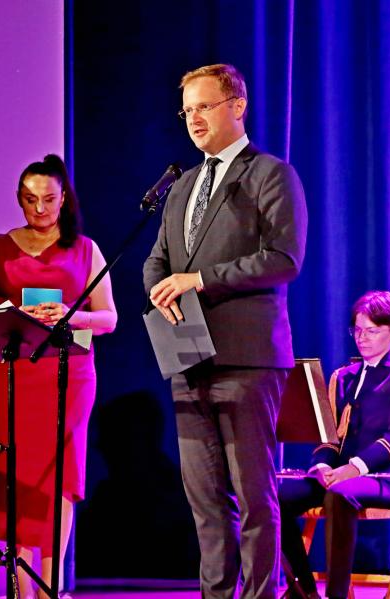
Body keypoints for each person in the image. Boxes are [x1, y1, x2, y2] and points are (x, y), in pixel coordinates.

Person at [142, 63, 308, 598]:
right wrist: (158, 287)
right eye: (187, 110)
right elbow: (158, 259)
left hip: (247, 358)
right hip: (187, 356)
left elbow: (284, 258)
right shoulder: (182, 185)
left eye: (204, 107)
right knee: (205, 499)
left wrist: (200, 280)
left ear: (237, 106)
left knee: (253, 495)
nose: (194, 119)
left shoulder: (270, 174)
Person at [0, 154, 117, 599]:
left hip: (67, 376)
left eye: (49, 199)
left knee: (60, 474)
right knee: (14, 474)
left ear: (63, 198)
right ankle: (21, 588)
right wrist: (12, 313)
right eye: (31, 200)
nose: (40, 209)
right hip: (10, 376)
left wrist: (71, 315)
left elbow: (109, 318)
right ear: (19, 199)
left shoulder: (85, 249)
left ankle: (50, 587)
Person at [278, 291, 390, 599]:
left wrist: (353, 468)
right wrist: (322, 466)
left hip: (384, 479)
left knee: (339, 494)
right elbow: (330, 435)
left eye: (371, 330)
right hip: (338, 476)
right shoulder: (343, 376)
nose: (362, 337)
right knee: (273, 499)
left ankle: (336, 595)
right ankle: (304, 591)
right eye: (357, 330)